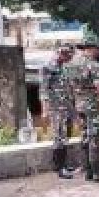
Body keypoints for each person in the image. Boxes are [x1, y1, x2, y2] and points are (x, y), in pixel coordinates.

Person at [64, 29, 99, 183]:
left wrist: (74, 110)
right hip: (94, 107)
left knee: (85, 139)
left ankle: (88, 172)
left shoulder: (71, 66)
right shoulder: (94, 66)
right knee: (96, 141)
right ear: (91, 48)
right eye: (97, 49)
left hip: (80, 106)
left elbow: (69, 90)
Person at [43, 43, 77, 179]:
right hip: (56, 108)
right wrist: (45, 110)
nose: (70, 58)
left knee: (65, 136)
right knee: (59, 137)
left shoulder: (64, 68)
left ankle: (62, 164)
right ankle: (60, 168)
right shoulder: (48, 67)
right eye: (68, 55)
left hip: (66, 107)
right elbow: (43, 90)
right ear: (62, 54)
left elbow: (68, 89)